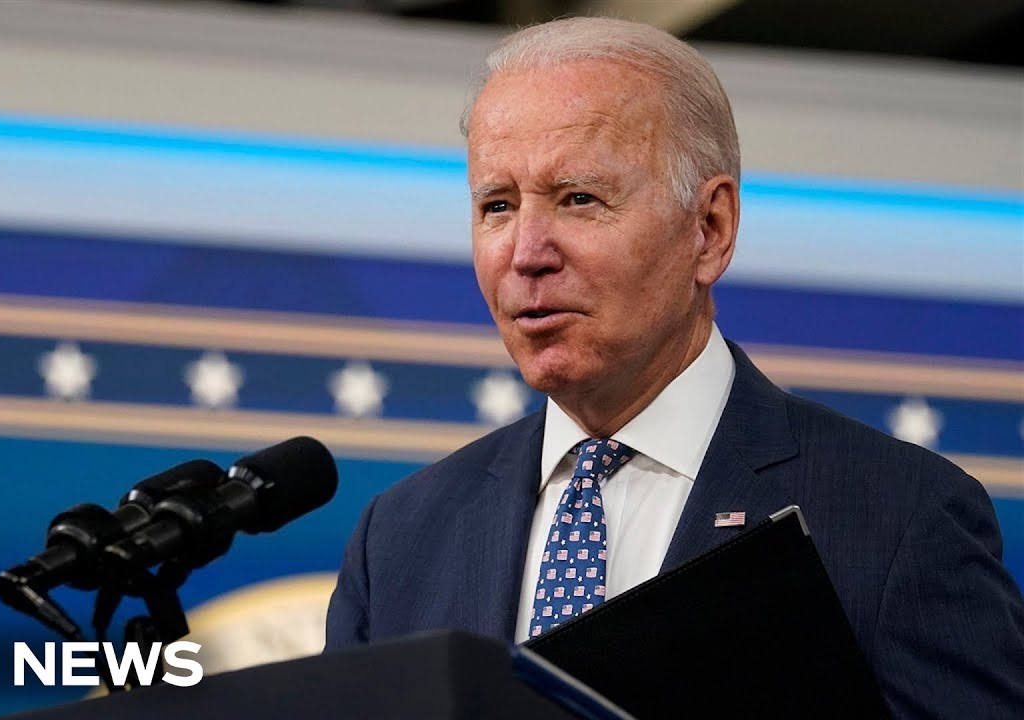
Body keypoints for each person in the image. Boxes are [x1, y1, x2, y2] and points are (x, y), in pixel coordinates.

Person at [324, 16, 1024, 717]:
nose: (526, 251)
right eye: (497, 206)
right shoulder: (400, 539)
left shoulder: (897, 517)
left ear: (709, 229)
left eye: (579, 198)